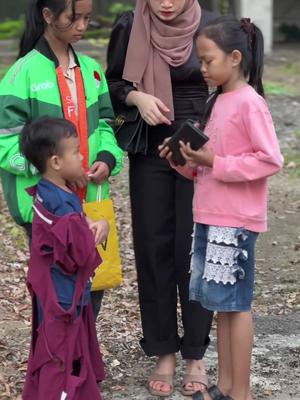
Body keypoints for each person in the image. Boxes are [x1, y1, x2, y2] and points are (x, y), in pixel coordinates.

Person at [159, 16, 284, 400]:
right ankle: (227, 388)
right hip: (210, 216)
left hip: (235, 221)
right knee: (222, 307)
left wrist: (214, 161)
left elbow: (269, 160)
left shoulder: (251, 103)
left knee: (237, 306)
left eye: (208, 60)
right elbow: (206, 165)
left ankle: (241, 393)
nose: (202, 68)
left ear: (234, 58)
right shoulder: (217, 102)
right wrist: (183, 159)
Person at [106, 0, 217, 396]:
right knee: (152, 247)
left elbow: (236, 86)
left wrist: (206, 138)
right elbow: (114, 85)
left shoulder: (214, 25)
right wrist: (138, 98)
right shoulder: (131, 25)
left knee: (194, 248)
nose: (165, 3)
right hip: (150, 147)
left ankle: (195, 353)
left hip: (200, 147)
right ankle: (163, 350)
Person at [0, 0, 123, 319]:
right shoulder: (21, 74)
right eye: (74, 18)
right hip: (47, 208)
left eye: (87, 18)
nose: (82, 26)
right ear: (48, 15)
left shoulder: (93, 70)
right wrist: (54, 171)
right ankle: (57, 366)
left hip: (93, 202)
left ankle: (81, 364)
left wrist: (108, 158)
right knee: (59, 299)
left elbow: (108, 124)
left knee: (93, 292)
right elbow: (5, 143)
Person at [20, 117, 108, 399]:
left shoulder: (50, 191)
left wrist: (83, 225)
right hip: (64, 297)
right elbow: (79, 254)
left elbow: (65, 235)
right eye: (77, 151)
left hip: (52, 289)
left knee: (54, 345)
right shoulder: (61, 202)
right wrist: (100, 228)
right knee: (59, 354)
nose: (83, 157)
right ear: (56, 162)